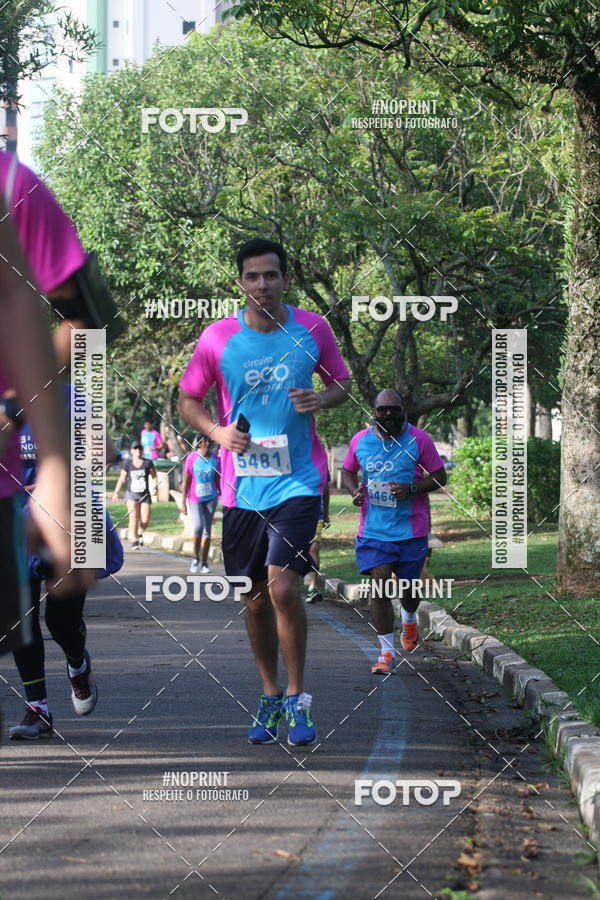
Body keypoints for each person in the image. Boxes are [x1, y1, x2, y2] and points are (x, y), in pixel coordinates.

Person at [178, 237, 350, 746]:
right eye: (252, 277)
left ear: (284, 280)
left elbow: (341, 384)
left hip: (298, 481)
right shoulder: (217, 339)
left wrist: (322, 397)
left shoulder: (312, 328)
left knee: (282, 587)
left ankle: (299, 698)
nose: (262, 285)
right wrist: (217, 433)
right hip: (240, 489)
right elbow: (190, 399)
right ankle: (270, 693)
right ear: (241, 283)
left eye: (270, 276)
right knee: (253, 601)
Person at [9, 385, 122, 740]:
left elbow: (106, 453)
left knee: (62, 620)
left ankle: (78, 662)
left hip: (71, 515)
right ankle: (37, 708)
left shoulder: (70, 396)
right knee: (20, 620)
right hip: (13, 517)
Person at [341, 389, 447, 674]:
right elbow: (347, 471)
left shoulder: (419, 439)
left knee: (409, 590)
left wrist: (412, 488)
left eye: (394, 409)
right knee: (379, 584)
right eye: (382, 409)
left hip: (411, 530)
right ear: (373, 412)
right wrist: (354, 491)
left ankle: (409, 616)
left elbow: (440, 476)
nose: (388, 414)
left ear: (404, 411)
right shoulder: (360, 442)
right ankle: (386, 653)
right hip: (374, 531)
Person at [180, 435, 220, 573]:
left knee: (207, 532)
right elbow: (186, 480)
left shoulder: (216, 459)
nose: (207, 443)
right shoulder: (192, 458)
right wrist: (183, 502)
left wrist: (222, 494)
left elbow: (218, 478)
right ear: (198, 444)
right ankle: (195, 558)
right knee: (198, 527)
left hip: (211, 498)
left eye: (209, 441)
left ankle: (204, 563)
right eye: (204, 441)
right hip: (195, 498)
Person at [112, 443, 156, 548]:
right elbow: (122, 478)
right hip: (131, 494)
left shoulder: (148, 463)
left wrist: (155, 487)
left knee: (145, 520)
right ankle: (134, 540)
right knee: (133, 518)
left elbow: (154, 476)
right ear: (132, 450)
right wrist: (116, 492)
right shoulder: (128, 464)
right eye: (135, 448)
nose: (138, 450)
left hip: (145, 495)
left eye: (140, 448)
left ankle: (140, 532)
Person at [305, 477, 330, 604]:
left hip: (316, 513)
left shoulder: (319, 458)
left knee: (314, 548)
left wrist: (326, 513)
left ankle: (312, 587)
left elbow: (325, 487)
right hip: (292, 513)